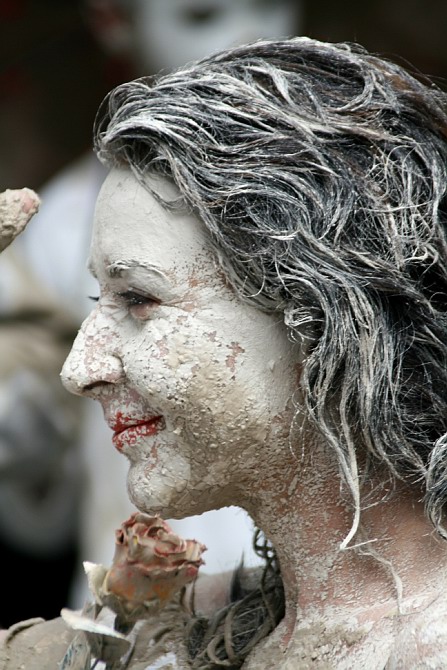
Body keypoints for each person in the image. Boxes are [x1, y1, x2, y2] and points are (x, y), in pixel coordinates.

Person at [3, 35, 447, 668]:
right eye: (96, 300)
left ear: (322, 316)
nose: (80, 370)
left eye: (137, 299)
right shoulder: (162, 635)